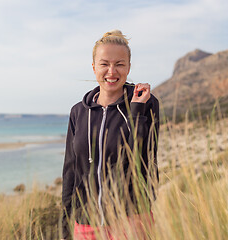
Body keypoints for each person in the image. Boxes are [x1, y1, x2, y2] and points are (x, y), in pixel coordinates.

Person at [61, 30, 159, 240]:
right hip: (86, 222)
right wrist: (66, 223)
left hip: (132, 219)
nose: (112, 71)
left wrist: (136, 111)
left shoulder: (146, 104)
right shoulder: (78, 112)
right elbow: (70, 169)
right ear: (94, 67)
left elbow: (139, 156)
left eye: (120, 64)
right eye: (104, 64)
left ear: (129, 68)